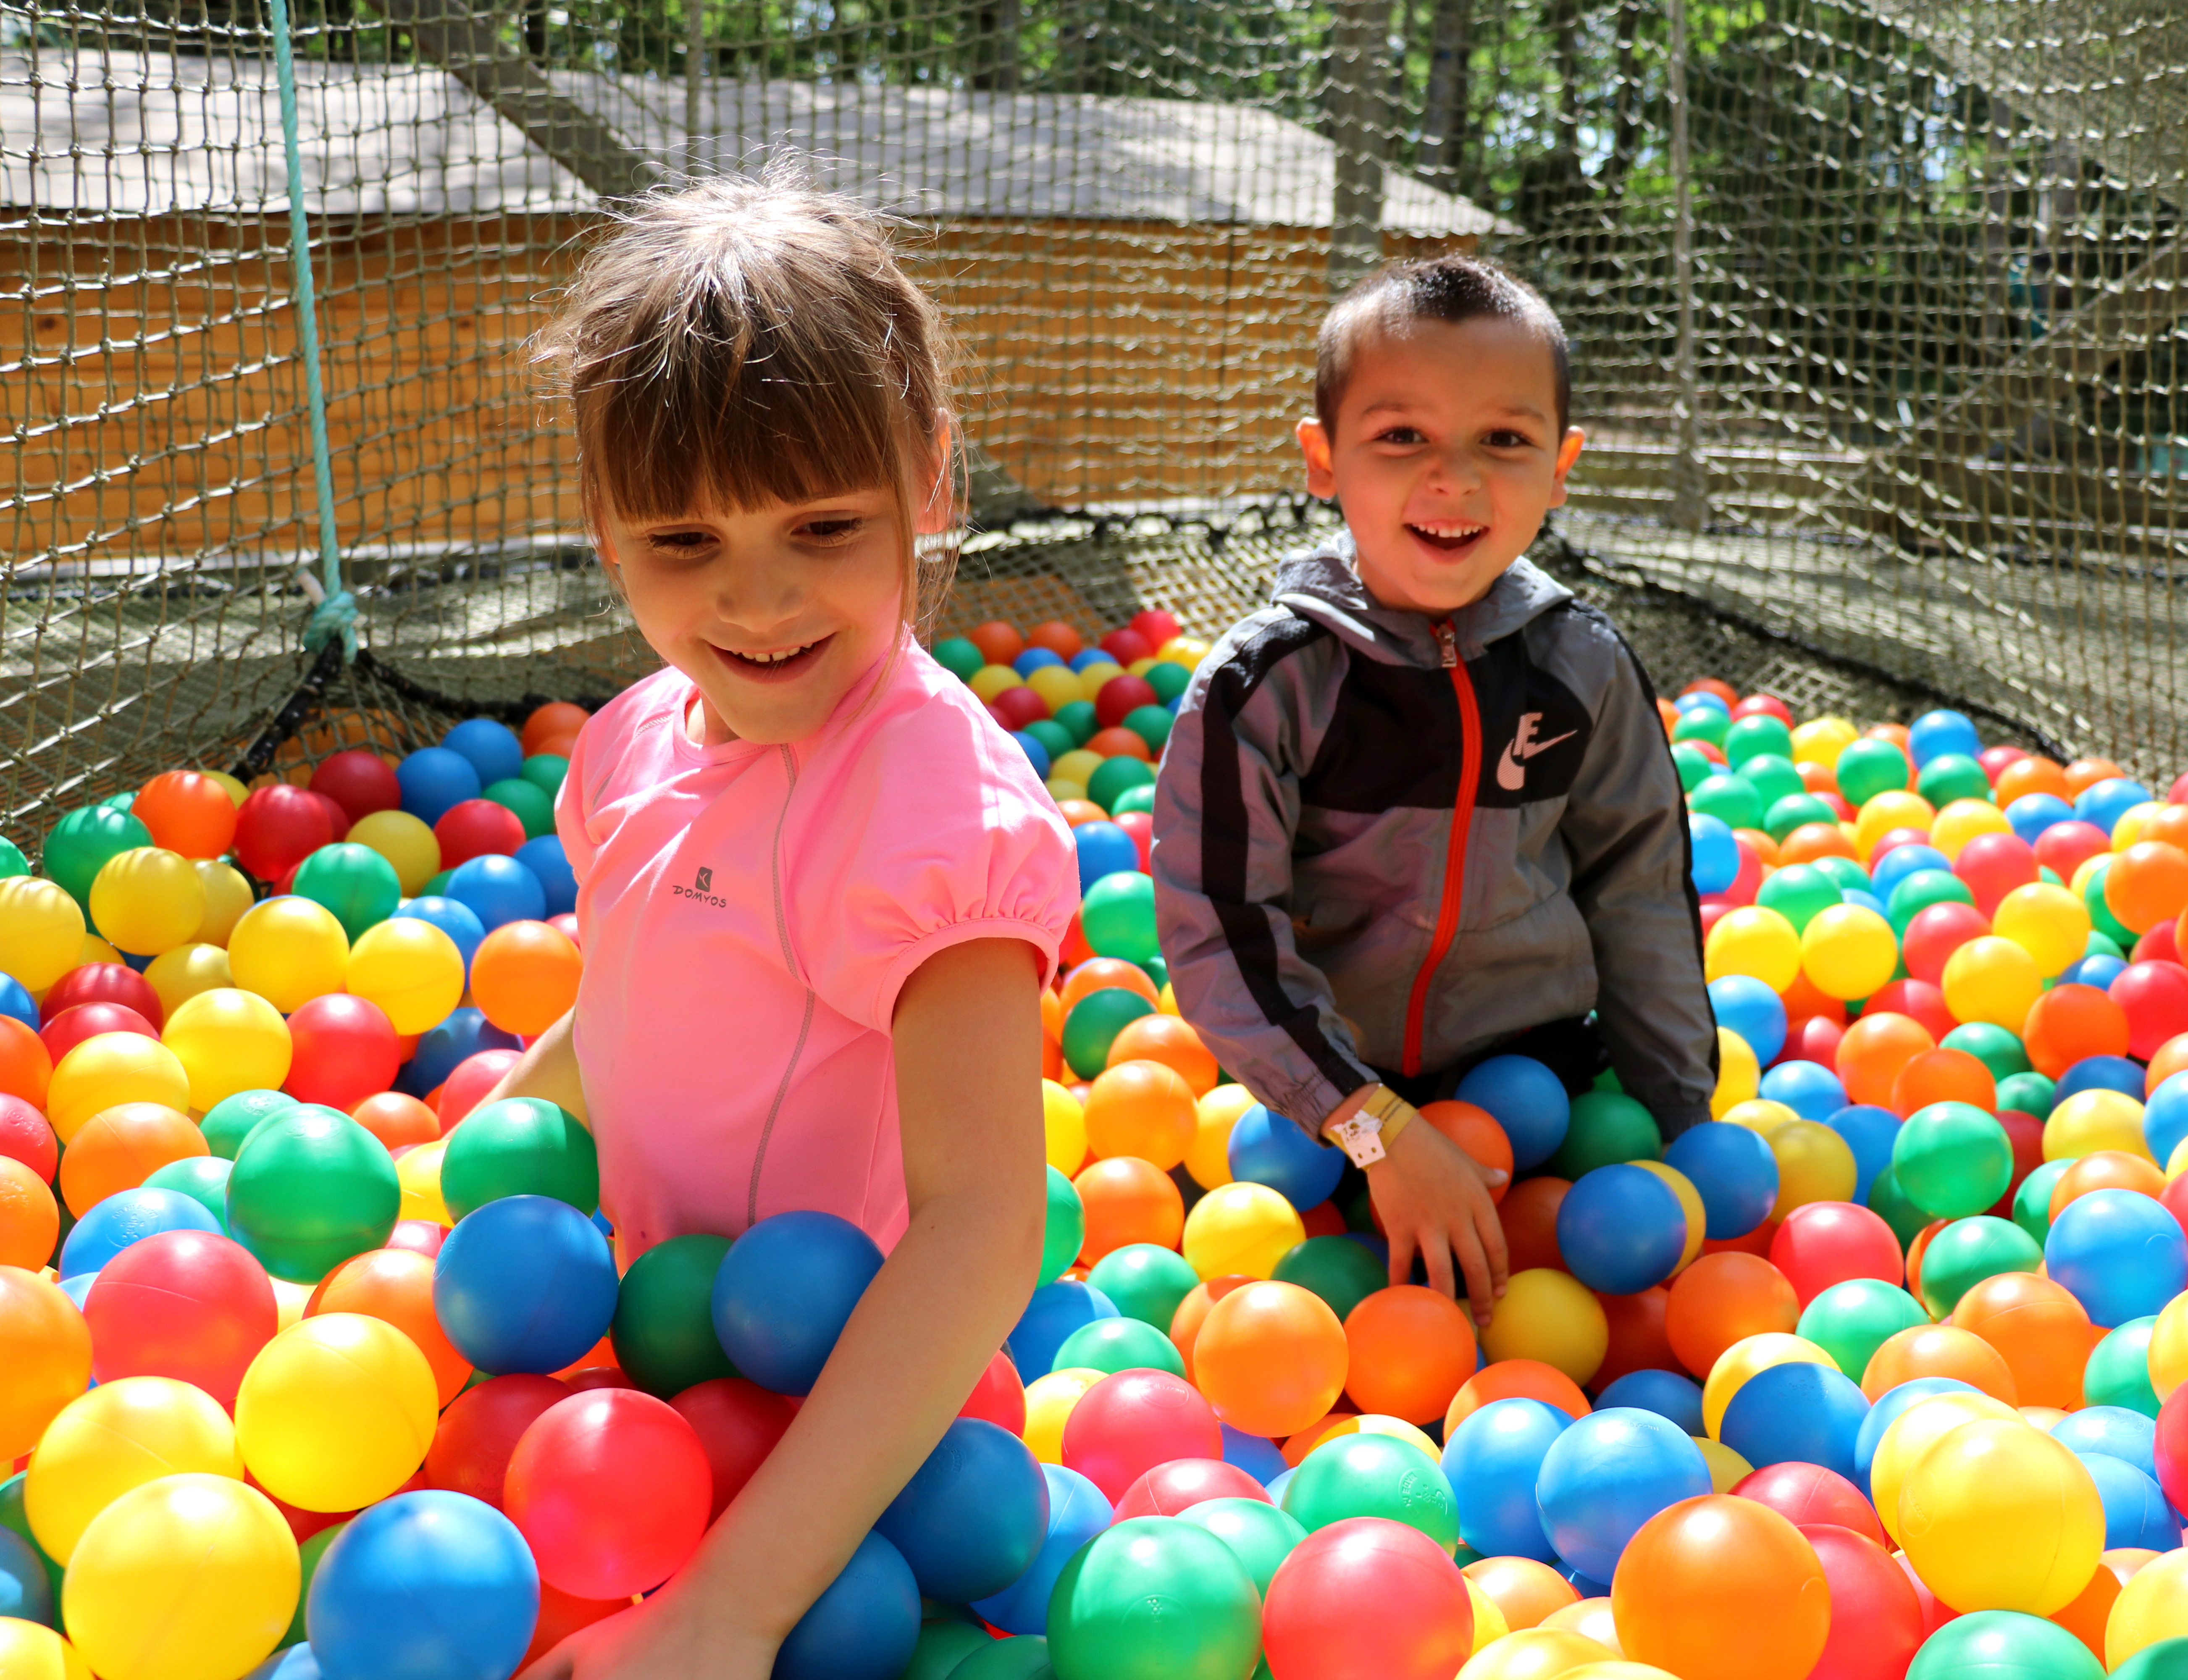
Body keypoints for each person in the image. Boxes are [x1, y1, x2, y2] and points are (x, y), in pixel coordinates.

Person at [485, 170, 1077, 1677]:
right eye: (683, 542)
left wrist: (730, 1612)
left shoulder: (929, 808)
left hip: (850, 1434)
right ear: (604, 529)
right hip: (633, 1375)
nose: (757, 601)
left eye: (824, 525)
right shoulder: (629, 740)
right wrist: (492, 1133)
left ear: (932, 485)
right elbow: (632, 990)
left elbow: (984, 1225)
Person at [1151, 254, 1720, 1323]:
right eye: (1401, 436)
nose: (1454, 479)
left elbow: (1639, 889)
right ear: (1323, 460)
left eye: (1503, 440)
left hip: (1538, 1096)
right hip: (1328, 1115)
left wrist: (1678, 1124)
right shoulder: (1264, 685)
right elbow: (1221, 930)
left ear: (1562, 465)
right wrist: (1371, 1126)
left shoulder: (1583, 667)